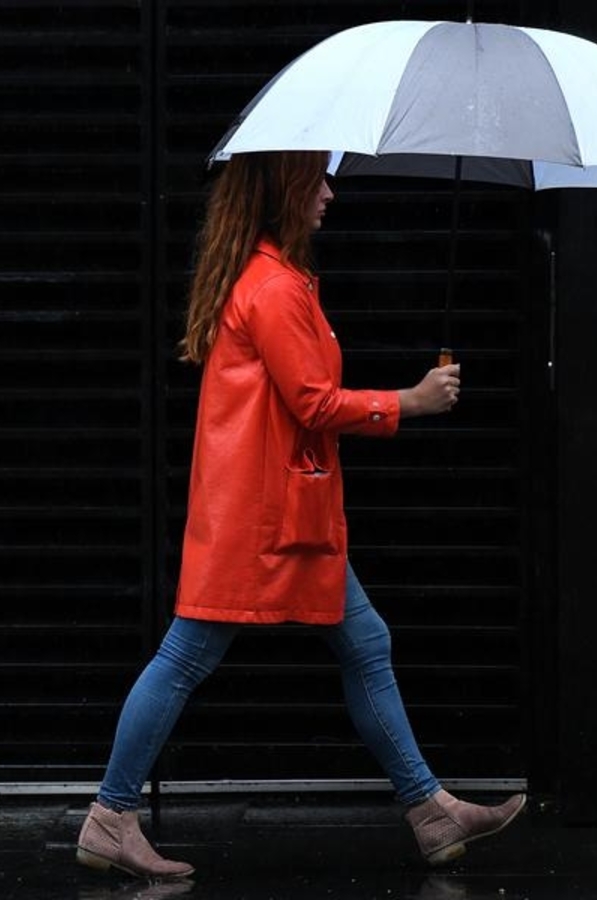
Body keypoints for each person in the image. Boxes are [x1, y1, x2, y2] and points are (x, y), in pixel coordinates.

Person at [75, 150, 525, 880]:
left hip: (278, 513)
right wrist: (409, 401)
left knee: (364, 641)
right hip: (266, 523)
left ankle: (430, 809)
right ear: (285, 188)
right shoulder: (276, 288)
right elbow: (313, 403)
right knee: (186, 656)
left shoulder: (271, 278)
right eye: (316, 180)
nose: (329, 194)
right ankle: (110, 816)